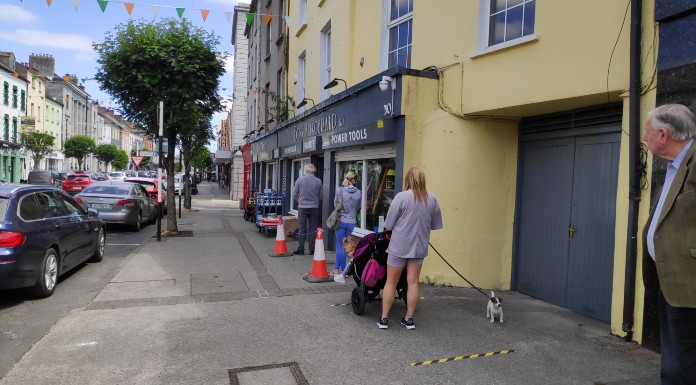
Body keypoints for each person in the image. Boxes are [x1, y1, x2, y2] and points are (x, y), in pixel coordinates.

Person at [642, 104, 696, 385]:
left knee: (681, 369)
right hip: (669, 283)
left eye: (647, 132)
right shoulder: (675, 166)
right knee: (675, 362)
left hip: (690, 286)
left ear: (663, 134)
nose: (644, 137)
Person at [378, 167, 443, 330]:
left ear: (408, 179)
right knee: (413, 282)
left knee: (391, 281)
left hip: (399, 245)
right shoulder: (432, 198)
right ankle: (409, 319)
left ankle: (384, 318)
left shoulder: (402, 197)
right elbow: (435, 224)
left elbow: (389, 223)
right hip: (419, 246)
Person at [331, 171, 361, 276]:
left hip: (341, 221)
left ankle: (344, 271)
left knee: (340, 245)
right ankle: (336, 268)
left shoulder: (339, 190)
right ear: (354, 180)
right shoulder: (359, 192)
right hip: (352, 222)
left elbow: (336, 205)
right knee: (348, 246)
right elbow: (358, 207)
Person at [292, 163, 323, 255]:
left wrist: (300, 201)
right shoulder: (318, 181)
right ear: (314, 170)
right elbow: (321, 196)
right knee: (313, 228)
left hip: (302, 207)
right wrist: (315, 201)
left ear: (306, 170)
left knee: (302, 228)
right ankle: (312, 250)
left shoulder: (300, 180)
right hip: (314, 208)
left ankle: (301, 249)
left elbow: (294, 194)